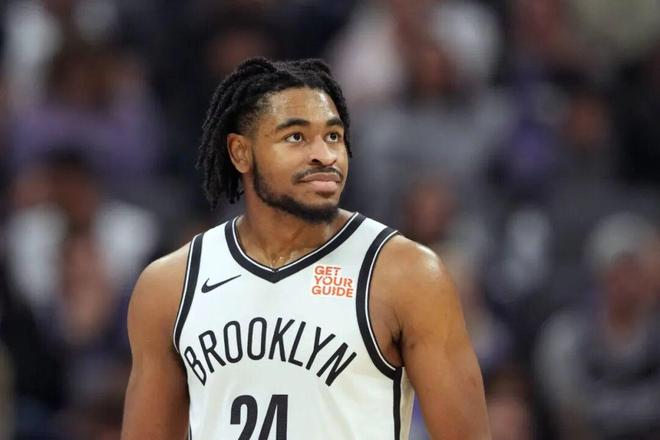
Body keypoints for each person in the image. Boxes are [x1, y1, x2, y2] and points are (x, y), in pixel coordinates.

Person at [121, 57, 489, 439]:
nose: (324, 155)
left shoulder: (407, 275)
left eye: (333, 136)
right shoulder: (171, 285)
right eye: (296, 137)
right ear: (240, 152)